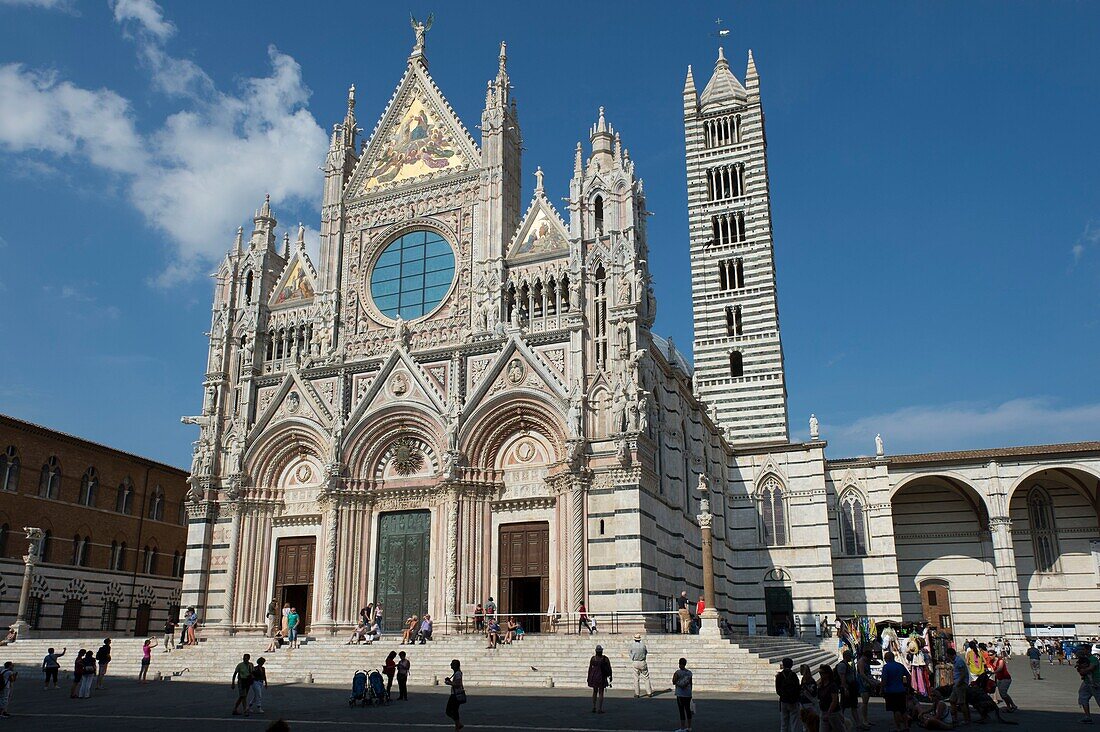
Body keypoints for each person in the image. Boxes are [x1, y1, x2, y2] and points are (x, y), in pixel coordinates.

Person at [880, 651, 910, 732]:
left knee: (895, 710)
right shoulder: (900, 665)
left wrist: (882, 689)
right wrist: (908, 686)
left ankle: (898, 728)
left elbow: (884, 679)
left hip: (891, 691)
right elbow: (908, 675)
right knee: (903, 709)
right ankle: (906, 726)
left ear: (887, 658)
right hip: (901, 690)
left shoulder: (886, 667)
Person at [836, 648, 861, 730]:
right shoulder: (842, 665)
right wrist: (845, 688)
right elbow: (842, 678)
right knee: (843, 706)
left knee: (853, 706)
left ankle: (858, 723)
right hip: (847, 688)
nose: (851, 657)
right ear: (846, 656)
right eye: (850, 656)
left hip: (850, 688)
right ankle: (840, 722)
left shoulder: (847, 664)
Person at [945, 647, 971, 726]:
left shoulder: (959, 661)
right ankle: (954, 718)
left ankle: (967, 719)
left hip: (960, 684)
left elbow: (963, 674)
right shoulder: (955, 661)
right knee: (952, 700)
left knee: (961, 702)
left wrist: (958, 683)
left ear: (950, 655)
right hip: (957, 684)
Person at [775, 656, 801, 732]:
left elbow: (778, 689)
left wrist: (783, 695)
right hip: (793, 701)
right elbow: (797, 687)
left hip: (783, 700)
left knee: (784, 723)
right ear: (791, 665)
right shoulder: (793, 675)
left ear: (783, 665)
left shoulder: (779, 676)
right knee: (794, 722)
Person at [1076, 647, 1100, 724]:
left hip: (1096, 681)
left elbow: (1091, 668)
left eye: (1084, 650)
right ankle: (1087, 716)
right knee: (1083, 696)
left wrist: (1083, 670)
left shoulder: (1093, 658)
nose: (1082, 651)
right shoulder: (1083, 659)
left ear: (1088, 650)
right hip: (1087, 682)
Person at [818, 663, 844, 732]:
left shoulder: (832, 685)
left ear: (827, 674)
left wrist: (828, 713)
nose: (820, 674)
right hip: (823, 711)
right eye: (819, 672)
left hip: (834, 713)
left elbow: (834, 700)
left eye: (822, 673)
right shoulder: (820, 685)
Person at [587, 645, 613, 714]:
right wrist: (610, 676)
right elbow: (609, 668)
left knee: (595, 691)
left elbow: (590, 668)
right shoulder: (605, 659)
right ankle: (600, 708)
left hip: (594, 676)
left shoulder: (593, 659)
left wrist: (589, 677)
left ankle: (594, 706)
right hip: (601, 676)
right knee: (601, 692)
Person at [856, 647, 877, 730]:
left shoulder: (864, 661)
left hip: (865, 681)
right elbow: (862, 673)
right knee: (864, 702)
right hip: (863, 682)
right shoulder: (861, 662)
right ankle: (864, 720)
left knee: (866, 702)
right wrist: (869, 681)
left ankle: (866, 719)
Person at [672, 657, 693, 732]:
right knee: (688, 710)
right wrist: (691, 692)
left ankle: (682, 728)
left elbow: (673, 681)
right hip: (688, 694)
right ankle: (689, 727)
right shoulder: (689, 673)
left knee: (681, 711)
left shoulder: (677, 672)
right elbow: (691, 683)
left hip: (680, 694)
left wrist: (678, 682)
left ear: (680, 664)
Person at [629, 633, 653, 698]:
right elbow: (646, 652)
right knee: (646, 677)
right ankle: (649, 692)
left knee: (636, 678)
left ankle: (637, 693)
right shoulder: (643, 645)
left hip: (635, 662)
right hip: (642, 661)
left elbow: (630, 653)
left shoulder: (632, 645)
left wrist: (633, 657)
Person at [444, 659, 465, 731]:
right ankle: (457, 727)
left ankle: (458, 724)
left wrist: (449, 683)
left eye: (452, 664)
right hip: (455, 694)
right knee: (455, 711)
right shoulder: (456, 673)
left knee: (449, 711)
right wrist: (450, 681)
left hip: (455, 695)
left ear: (455, 665)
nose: (451, 665)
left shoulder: (458, 674)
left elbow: (458, 684)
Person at [799, 663, 820, 732]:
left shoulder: (805, 680)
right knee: (812, 722)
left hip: (806, 702)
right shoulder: (811, 680)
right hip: (810, 702)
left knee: (806, 723)